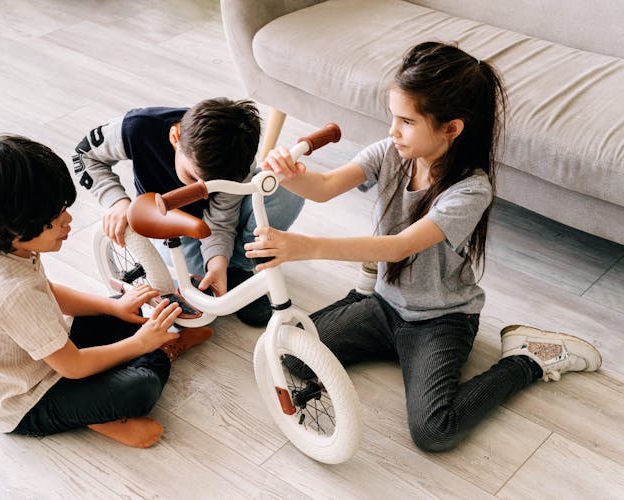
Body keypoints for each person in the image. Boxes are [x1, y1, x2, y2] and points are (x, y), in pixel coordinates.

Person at [245, 42, 602, 452]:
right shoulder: (390, 151)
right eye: (393, 117)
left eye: (406, 121)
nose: (393, 130)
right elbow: (324, 188)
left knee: (435, 431)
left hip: (440, 319)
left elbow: (398, 248)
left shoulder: (470, 191)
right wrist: (289, 174)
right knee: (291, 360)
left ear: (451, 128)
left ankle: (528, 359)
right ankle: (362, 294)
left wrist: (303, 247)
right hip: (385, 304)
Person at [0, 135, 212, 448]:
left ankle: (143, 354)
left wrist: (113, 308)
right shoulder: (9, 291)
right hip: (29, 399)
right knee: (139, 389)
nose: (68, 219)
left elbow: (48, 291)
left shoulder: (5, 250)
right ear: (15, 230)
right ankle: (127, 385)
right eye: (54, 218)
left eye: (62, 208)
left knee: (125, 309)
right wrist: (140, 344)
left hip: (47, 353)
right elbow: (72, 366)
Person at [72, 97, 304, 327]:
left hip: (217, 221)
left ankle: (239, 268)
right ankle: (225, 270)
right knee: (195, 306)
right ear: (176, 138)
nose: (197, 188)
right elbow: (84, 155)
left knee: (288, 187)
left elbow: (222, 220)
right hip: (171, 224)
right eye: (193, 176)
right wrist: (117, 201)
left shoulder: (237, 160)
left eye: (212, 184)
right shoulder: (139, 127)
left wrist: (217, 263)